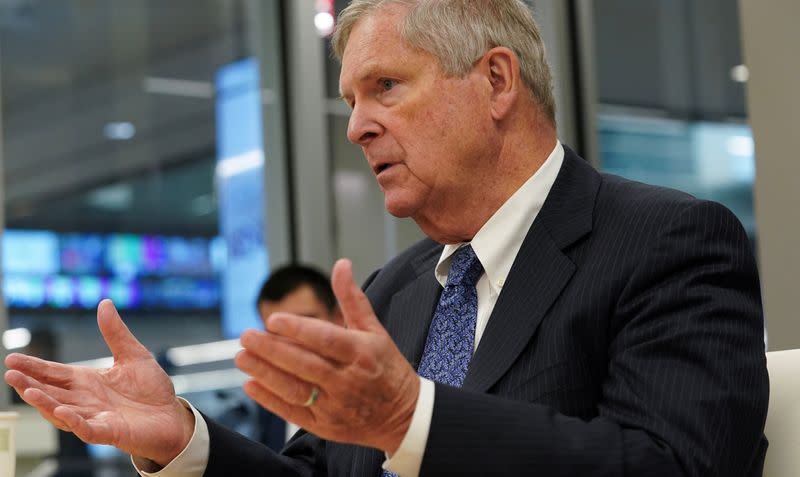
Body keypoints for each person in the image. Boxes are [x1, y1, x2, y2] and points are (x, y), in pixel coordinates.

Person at [4, 1, 768, 476]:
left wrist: (414, 421)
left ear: (497, 81)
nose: (356, 125)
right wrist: (183, 441)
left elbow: (675, 465)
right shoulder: (396, 290)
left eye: (386, 87)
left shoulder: (666, 242)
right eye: (349, 99)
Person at [251, 264, 343, 450]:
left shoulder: (367, 395)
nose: (293, 341)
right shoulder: (266, 405)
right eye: (277, 331)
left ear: (339, 318)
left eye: (305, 323)